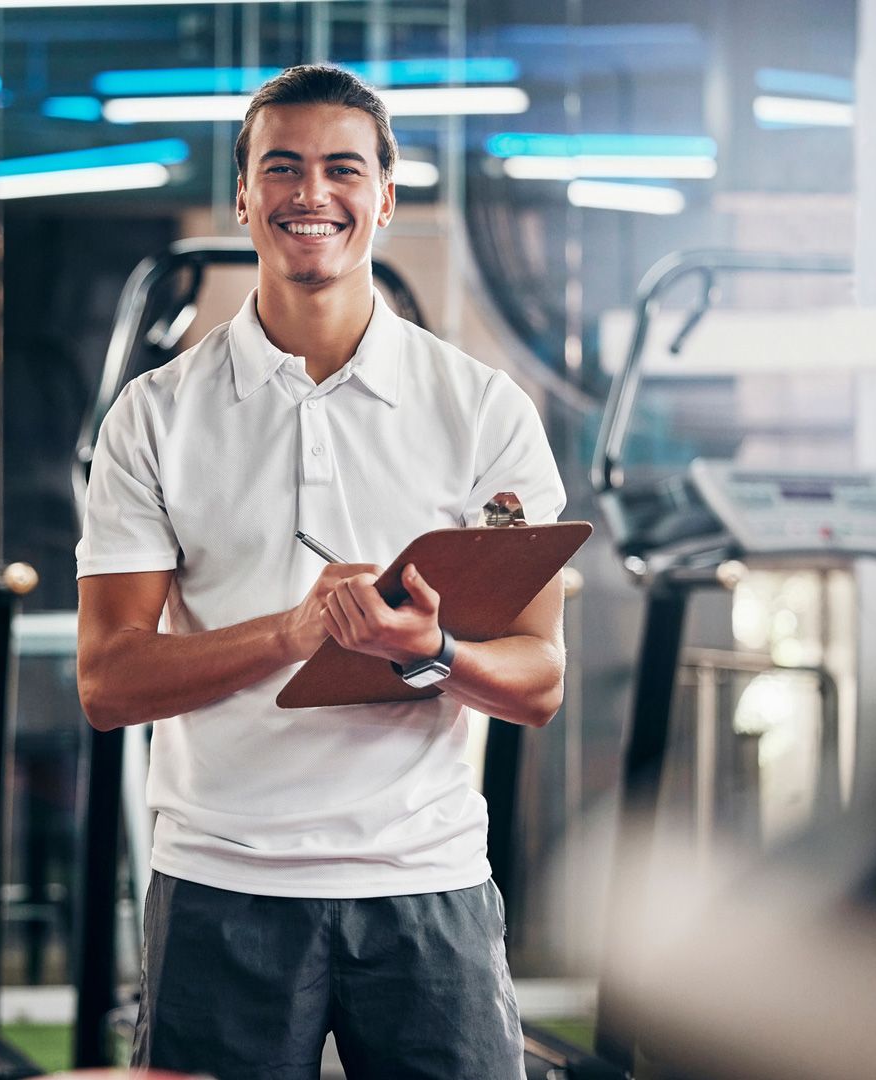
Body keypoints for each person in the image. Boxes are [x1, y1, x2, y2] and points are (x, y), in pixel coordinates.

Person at [75, 64, 568, 1080]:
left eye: (344, 168)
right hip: (221, 887)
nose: (312, 193)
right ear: (245, 194)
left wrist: (429, 650)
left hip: (426, 884)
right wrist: (292, 634)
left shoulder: (482, 410)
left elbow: (540, 681)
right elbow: (108, 682)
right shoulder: (156, 417)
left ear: (386, 196)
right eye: (282, 168)